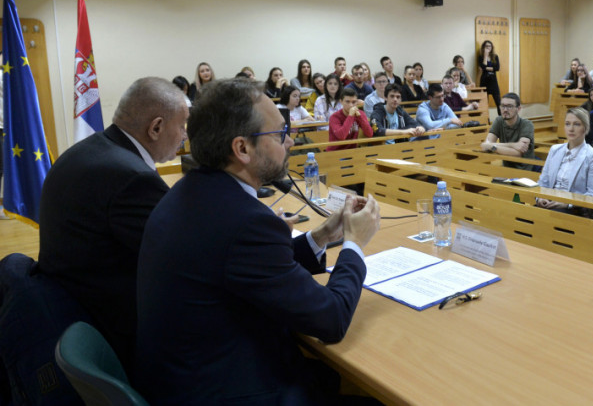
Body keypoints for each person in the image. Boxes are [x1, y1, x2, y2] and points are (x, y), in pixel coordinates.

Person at [135, 78, 380, 404]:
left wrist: (323, 235)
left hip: (185, 379)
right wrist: (354, 243)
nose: (290, 142)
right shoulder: (245, 221)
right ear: (242, 148)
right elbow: (331, 320)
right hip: (233, 390)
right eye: (279, 133)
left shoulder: (189, 192)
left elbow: (252, 266)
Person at [38, 77, 188, 369]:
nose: (185, 134)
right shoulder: (132, 178)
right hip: (114, 328)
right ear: (156, 127)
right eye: (182, 125)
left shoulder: (92, 150)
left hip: (68, 308)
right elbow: (181, 261)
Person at [536, 108, 593, 217]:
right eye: (567, 124)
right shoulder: (555, 150)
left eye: (577, 124)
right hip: (550, 201)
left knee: (550, 217)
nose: (571, 129)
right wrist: (540, 197)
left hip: (575, 208)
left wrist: (567, 204)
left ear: (585, 128)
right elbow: (543, 182)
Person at [480, 92, 536, 170]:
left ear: (518, 109)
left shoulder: (527, 124)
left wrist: (493, 147)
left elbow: (518, 153)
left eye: (509, 106)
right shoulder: (499, 121)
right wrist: (513, 145)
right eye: (503, 106)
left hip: (526, 170)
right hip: (507, 169)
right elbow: (485, 147)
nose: (505, 110)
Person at [478, 40, 502, 115]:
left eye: (489, 46)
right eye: (486, 46)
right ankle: (486, 122)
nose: (488, 48)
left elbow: (497, 68)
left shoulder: (495, 56)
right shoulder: (481, 57)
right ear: (483, 47)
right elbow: (483, 67)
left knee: (499, 103)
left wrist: (486, 68)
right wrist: (485, 56)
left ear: (492, 47)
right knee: (485, 104)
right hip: (484, 82)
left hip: (493, 82)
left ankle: (502, 121)